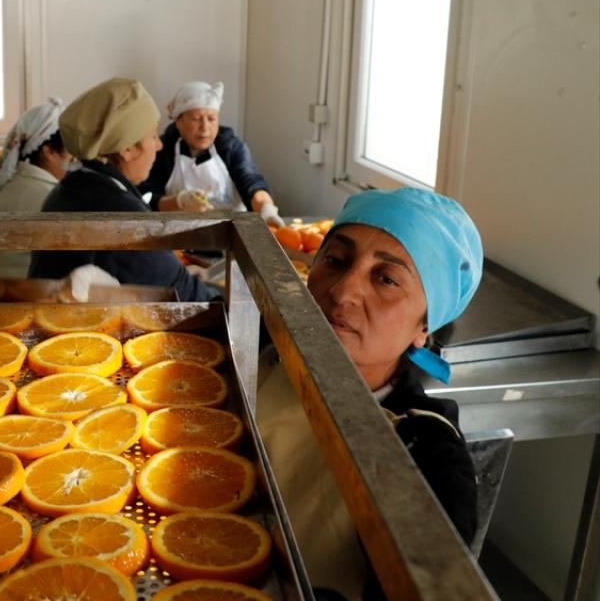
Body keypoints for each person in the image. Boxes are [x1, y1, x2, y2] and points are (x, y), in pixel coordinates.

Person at [258, 187, 481, 600]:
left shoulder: (427, 453)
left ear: (423, 328)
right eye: (336, 260)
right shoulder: (260, 348)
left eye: (386, 279)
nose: (342, 292)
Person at [28, 78, 214, 302]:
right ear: (126, 148)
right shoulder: (117, 211)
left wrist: (175, 272)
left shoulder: (76, 184)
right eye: (153, 136)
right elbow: (192, 300)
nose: (159, 145)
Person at [139, 81, 283, 226]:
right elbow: (148, 197)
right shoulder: (162, 148)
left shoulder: (231, 146)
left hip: (231, 233)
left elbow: (252, 183)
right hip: (178, 235)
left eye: (211, 119)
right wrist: (180, 202)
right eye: (196, 119)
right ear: (179, 122)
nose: (205, 128)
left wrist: (266, 208)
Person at [0, 98, 75, 278]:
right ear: (49, 151)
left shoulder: (16, 181)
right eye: (71, 150)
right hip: (20, 296)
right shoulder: (47, 195)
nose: (75, 159)